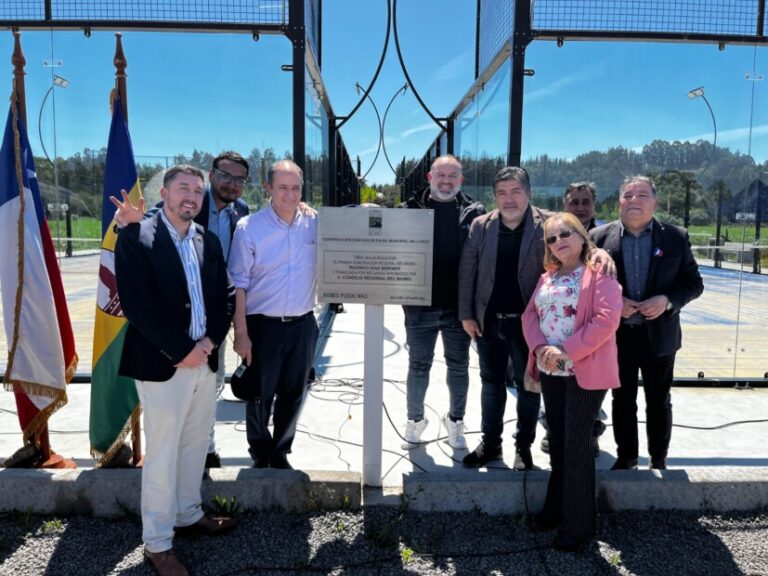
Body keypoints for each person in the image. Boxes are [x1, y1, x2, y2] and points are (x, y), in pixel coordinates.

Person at [115, 165, 236, 576]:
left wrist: (209, 343)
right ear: (164, 193)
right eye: (183, 188)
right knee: (163, 454)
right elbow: (137, 305)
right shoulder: (138, 237)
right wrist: (181, 350)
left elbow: (224, 297)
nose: (192, 196)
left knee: (194, 446)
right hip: (163, 366)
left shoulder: (209, 241)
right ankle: (158, 543)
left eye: (198, 190)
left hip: (204, 363)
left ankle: (188, 513)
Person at [112, 150, 250, 469]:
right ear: (212, 175)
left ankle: (205, 455)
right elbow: (159, 225)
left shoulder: (238, 211)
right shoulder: (189, 207)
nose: (232, 184)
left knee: (209, 393)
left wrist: (214, 336)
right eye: (225, 176)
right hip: (173, 331)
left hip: (213, 317)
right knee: (168, 431)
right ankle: (165, 510)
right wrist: (128, 224)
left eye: (239, 179)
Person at [522, 212, 622, 552]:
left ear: (581, 235)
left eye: (565, 233)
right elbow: (530, 315)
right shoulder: (547, 276)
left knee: (577, 446)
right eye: (551, 238)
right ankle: (555, 510)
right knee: (560, 442)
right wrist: (540, 348)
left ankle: (579, 526)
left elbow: (607, 320)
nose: (558, 241)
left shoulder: (599, 272)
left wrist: (566, 350)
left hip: (584, 371)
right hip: (552, 371)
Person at [591, 175, 704, 470]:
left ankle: (658, 458)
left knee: (659, 401)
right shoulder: (599, 239)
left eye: (641, 196)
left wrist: (666, 300)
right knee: (622, 400)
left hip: (660, 335)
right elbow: (586, 288)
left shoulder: (676, 237)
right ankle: (626, 457)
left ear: (655, 202)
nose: (634, 201)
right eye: (627, 196)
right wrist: (616, 304)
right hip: (617, 336)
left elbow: (693, 284)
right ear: (619, 202)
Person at [229, 160, 318, 470]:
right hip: (261, 326)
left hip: (303, 324)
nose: (290, 195)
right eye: (283, 187)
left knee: (294, 393)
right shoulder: (249, 228)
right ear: (267, 188)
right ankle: (259, 452)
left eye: (296, 188)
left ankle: (280, 453)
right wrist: (240, 332)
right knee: (258, 394)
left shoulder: (314, 223)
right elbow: (238, 284)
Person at [458, 166, 546, 470]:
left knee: (529, 385)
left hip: (530, 325)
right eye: (502, 193)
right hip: (489, 322)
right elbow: (467, 272)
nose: (509, 199)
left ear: (529, 193)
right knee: (491, 383)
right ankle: (491, 445)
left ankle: (524, 446)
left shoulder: (548, 225)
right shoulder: (481, 226)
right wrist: (467, 314)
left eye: (515, 191)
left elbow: (580, 250)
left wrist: (599, 256)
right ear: (494, 196)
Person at [399, 154, 485, 451]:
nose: (446, 181)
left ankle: (456, 421)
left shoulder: (475, 213)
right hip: (419, 307)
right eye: (441, 175)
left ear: (460, 181)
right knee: (418, 366)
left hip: (458, 309)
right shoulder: (408, 209)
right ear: (429, 178)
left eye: (452, 176)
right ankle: (415, 420)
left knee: (459, 366)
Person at [539, 181, 606, 456]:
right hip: (556, 336)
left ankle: (589, 434)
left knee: (589, 396)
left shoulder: (605, 236)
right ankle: (555, 433)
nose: (580, 207)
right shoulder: (554, 232)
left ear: (594, 205)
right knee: (555, 397)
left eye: (585, 201)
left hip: (590, 338)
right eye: (574, 202)